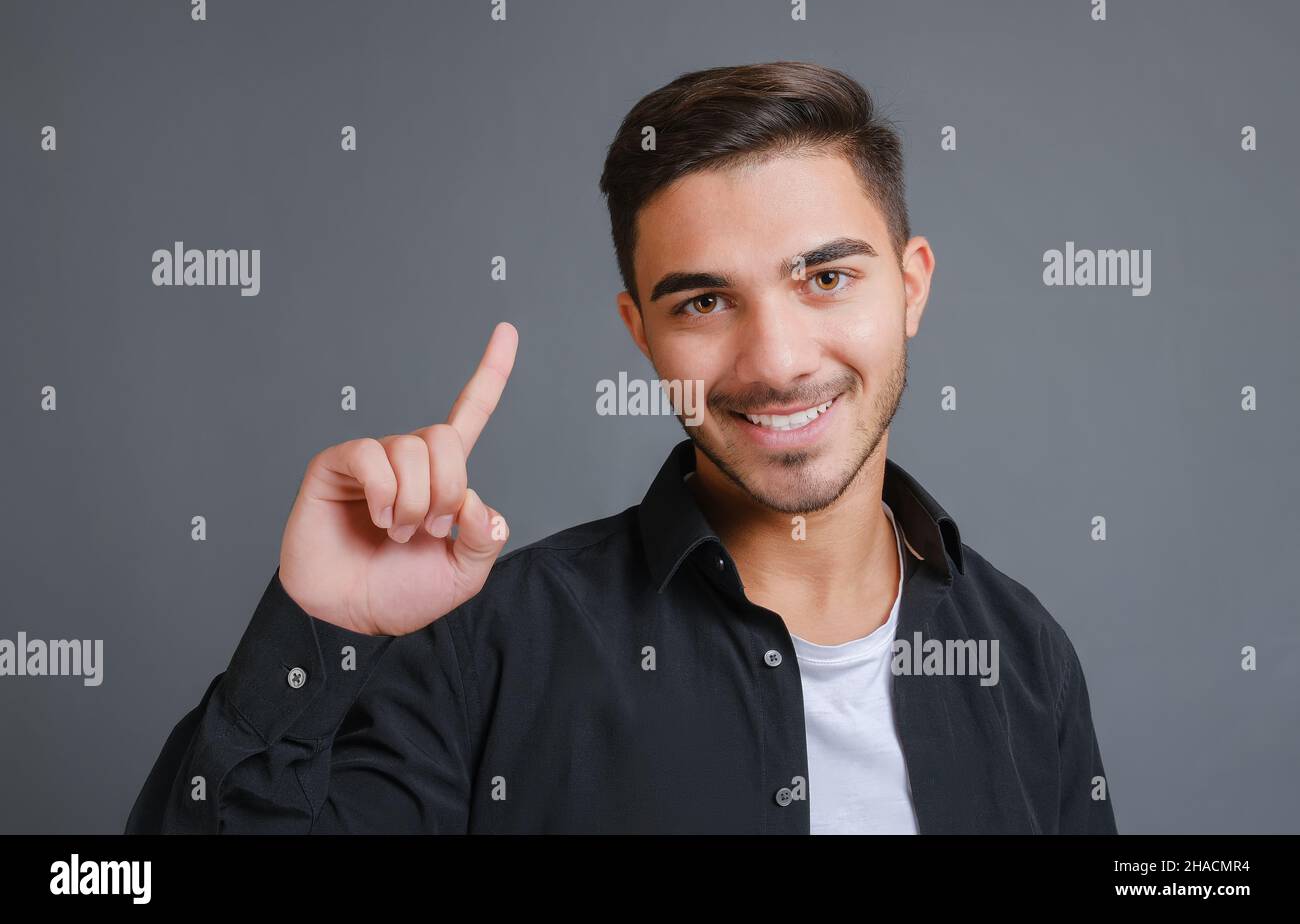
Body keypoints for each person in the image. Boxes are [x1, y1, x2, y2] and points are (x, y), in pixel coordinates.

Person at [126, 61, 1117, 834]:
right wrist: (313, 631)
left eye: (825, 279)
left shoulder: (1024, 657)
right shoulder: (488, 651)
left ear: (909, 286)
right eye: (703, 300)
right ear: (639, 330)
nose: (773, 361)